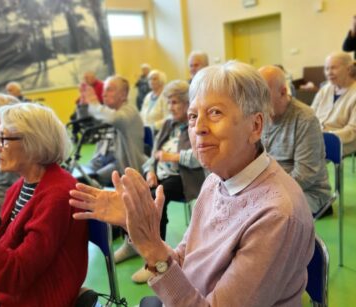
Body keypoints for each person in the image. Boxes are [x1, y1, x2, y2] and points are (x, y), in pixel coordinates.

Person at [69, 61, 315, 306]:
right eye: (193, 116)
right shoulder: (215, 181)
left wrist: (151, 247)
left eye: (215, 112)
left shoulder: (277, 215)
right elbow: (185, 261)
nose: (198, 128)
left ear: (256, 126)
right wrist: (139, 228)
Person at [0, 103, 88, 306]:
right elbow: (3, 239)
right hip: (15, 287)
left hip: (36, 297)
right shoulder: (22, 184)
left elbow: (16, 275)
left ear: (34, 142)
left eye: (3, 138)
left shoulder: (58, 195)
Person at [121, 80, 206, 284]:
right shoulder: (168, 124)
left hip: (183, 178)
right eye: (168, 103)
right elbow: (153, 154)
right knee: (130, 193)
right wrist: (150, 171)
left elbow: (199, 158)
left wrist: (172, 157)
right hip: (160, 175)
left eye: (175, 102)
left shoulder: (195, 123)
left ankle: (155, 260)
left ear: (187, 103)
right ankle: (132, 243)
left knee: (155, 199)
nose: (170, 107)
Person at [259, 66, 332, 215]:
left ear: (283, 92)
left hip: (309, 193)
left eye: (264, 94)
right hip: (270, 189)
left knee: (268, 215)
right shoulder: (260, 117)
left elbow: (305, 175)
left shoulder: (305, 119)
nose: (258, 101)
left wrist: (266, 192)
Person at [82, 75, 146, 186]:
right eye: (103, 90)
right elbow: (85, 124)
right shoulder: (106, 112)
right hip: (100, 159)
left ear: (123, 95)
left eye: (109, 89)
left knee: (90, 181)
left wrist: (95, 105)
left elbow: (115, 118)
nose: (103, 94)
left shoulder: (130, 110)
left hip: (120, 163)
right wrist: (83, 105)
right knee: (78, 175)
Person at [311, 51, 356, 155]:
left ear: (348, 69)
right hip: (316, 137)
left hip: (344, 140)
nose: (329, 72)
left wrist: (327, 137)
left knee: (308, 154)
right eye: (327, 68)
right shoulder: (324, 90)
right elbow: (310, 114)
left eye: (333, 68)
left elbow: (353, 130)